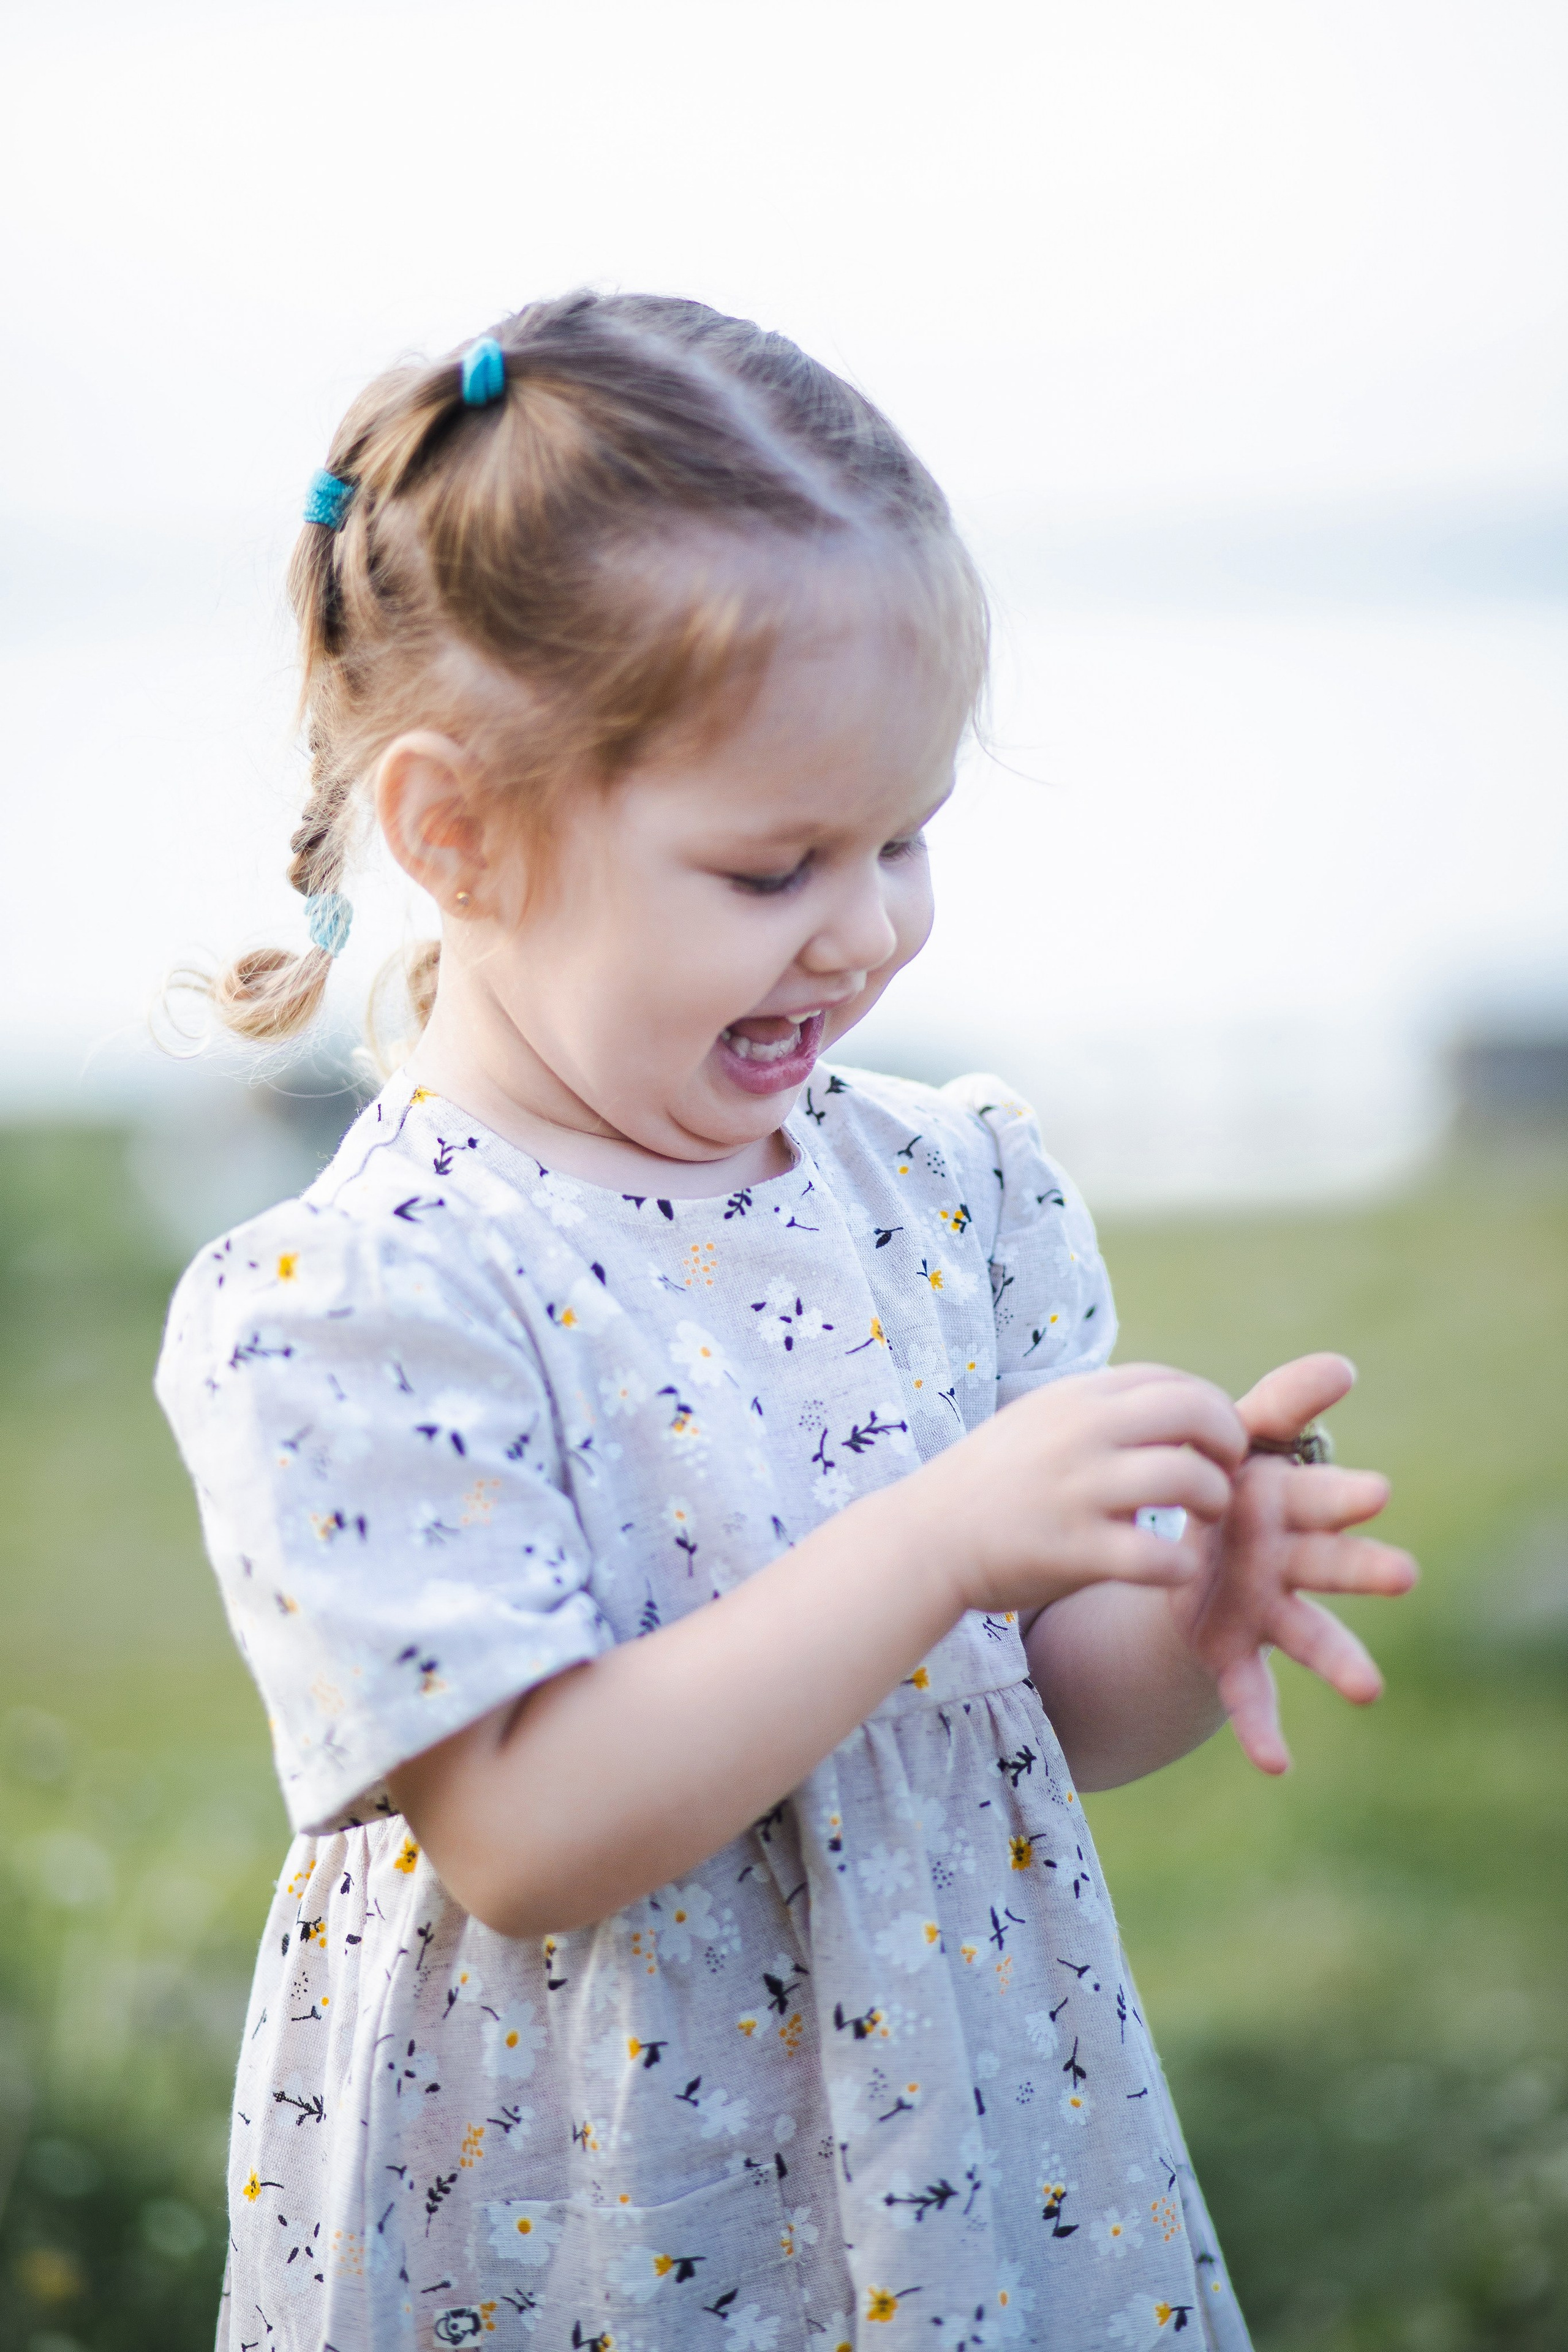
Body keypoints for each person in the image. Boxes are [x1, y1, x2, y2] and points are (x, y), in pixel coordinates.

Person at [156, 292, 1415, 2352]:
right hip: (589, 2224)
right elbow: (530, 1836)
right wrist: (938, 1537)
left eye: (905, 838)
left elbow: (1047, 1721)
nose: (866, 927)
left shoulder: (948, 1193)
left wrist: (1190, 1603)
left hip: (977, 2177)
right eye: (771, 867)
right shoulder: (361, 1307)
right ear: (454, 831)